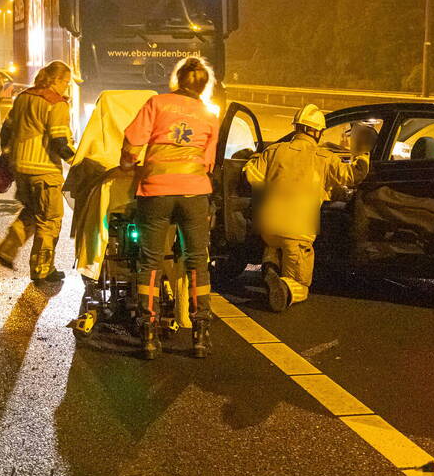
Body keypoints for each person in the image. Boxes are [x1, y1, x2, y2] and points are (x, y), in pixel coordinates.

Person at [120, 57, 220, 360]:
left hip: (156, 192)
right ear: (204, 85)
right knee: (196, 260)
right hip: (194, 194)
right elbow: (210, 161)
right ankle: (200, 332)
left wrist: (127, 163)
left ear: (177, 79)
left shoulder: (158, 103)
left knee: (149, 261)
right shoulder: (209, 113)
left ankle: (148, 332)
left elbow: (132, 140)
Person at [244, 104, 371, 312]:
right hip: (298, 232)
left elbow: (252, 176)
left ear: (297, 128)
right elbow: (354, 176)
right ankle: (285, 287)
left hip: (268, 225)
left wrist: (252, 157)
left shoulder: (275, 150)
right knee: (301, 285)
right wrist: (362, 153)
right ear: (317, 132)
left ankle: (270, 264)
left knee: (274, 244)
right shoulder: (324, 158)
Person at [0, 61, 75, 286]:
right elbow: (60, 142)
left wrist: (8, 156)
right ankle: (42, 269)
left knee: (31, 211)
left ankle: (7, 249)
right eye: (65, 82)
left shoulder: (23, 96)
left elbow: (6, 129)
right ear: (55, 80)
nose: (66, 88)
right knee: (49, 220)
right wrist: (77, 162)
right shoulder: (56, 103)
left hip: (20, 167)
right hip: (44, 170)